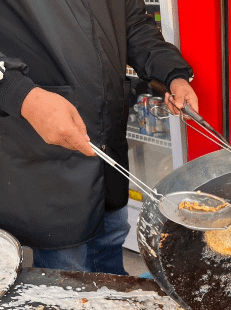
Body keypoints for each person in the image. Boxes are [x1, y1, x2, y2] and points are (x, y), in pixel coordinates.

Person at [0, 0, 198, 275]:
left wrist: (173, 74)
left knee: (111, 259)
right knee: (73, 286)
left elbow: (134, 26)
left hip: (108, 152)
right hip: (45, 160)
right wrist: (20, 95)